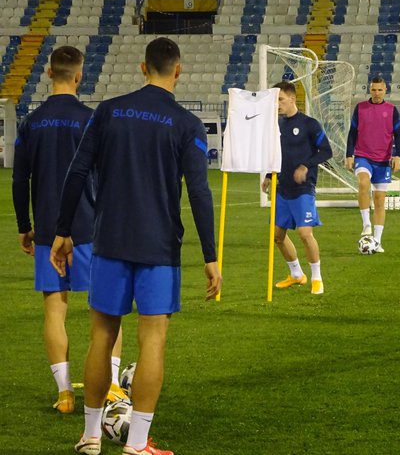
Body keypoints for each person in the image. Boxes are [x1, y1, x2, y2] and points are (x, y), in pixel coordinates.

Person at [50, 38, 221, 455]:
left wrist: (62, 230)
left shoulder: (108, 110)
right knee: (153, 342)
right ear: (177, 72)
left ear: (143, 67)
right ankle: (137, 444)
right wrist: (211, 257)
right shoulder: (186, 124)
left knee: (101, 338)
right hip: (158, 246)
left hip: (109, 240)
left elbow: (77, 172)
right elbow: (199, 193)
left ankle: (91, 436)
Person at [11, 46, 127, 415]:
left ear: (48, 73)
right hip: (90, 227)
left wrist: (24, 227)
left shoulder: (31, 122)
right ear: (79, 76)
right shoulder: (92, 119)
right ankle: (109, 387)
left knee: (54, 311)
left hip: (47, 229)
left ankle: (64, 392)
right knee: (107, 309)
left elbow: (19, 179)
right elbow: (109, 176)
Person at [261, 81, 332, 295]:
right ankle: (296, 274)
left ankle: (317, 278)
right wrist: (267, 176)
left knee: (304, 233)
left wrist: (305, 165)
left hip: (303, 188)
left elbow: (326, 151)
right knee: (277, 236)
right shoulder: (278, 125)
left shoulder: (310, 124)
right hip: (283, 187)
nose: (277, 105)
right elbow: (277, 154)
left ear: (292, 98)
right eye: (275, 101)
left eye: (280, 100)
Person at [345, 76, 400, 252]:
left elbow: (398, 135)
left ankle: (377, 241)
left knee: (379, 200)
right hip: (363, 156)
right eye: (374, 89)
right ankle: (366, 224)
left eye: (380, 90)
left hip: (383, 160)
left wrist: (398, 155)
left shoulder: (392, 110)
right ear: (370, 90)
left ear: (385, 91)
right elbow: (352, 132)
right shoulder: (360, 108)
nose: (376, 93)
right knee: (363, 182)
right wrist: (349, 155)